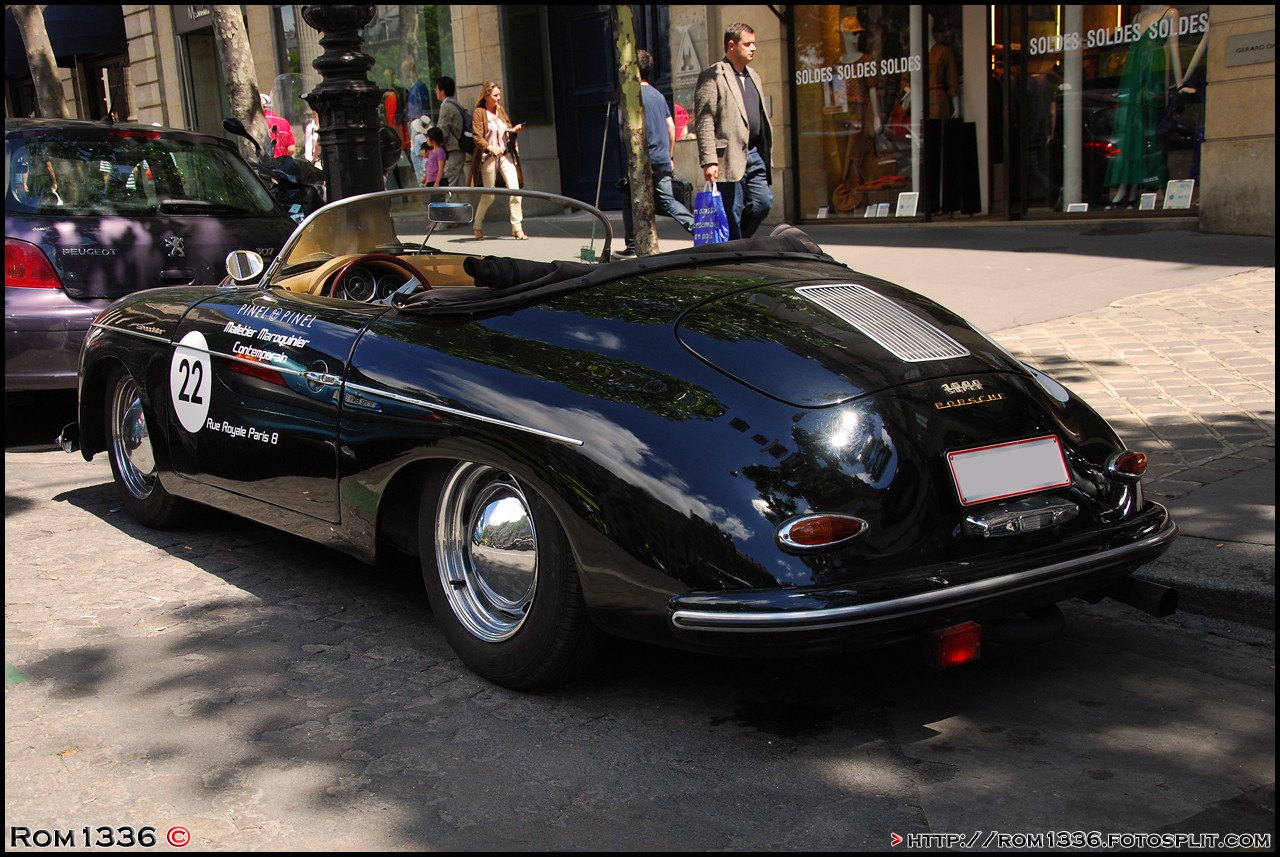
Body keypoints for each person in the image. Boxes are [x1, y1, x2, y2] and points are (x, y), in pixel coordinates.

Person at [694, 22, 773, 240]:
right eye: (747, 44)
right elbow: (704, 121)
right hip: (728, 156)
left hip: (755, 153)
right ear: (731, 45)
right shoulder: (713, 75)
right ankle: (733, 250)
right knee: (732, 211)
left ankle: (734, 245)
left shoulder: (754, 76)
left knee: (762, 203)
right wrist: (709, 160)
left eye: (754, 43)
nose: (753, 48)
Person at [618, 49, 695, 257]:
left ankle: (633, 246)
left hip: (643, 160)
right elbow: (671, 127)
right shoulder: (659, 96)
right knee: (661, 200)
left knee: (641, 199)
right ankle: (696, 228)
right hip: (661, 158)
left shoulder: (632, 96)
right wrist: (669, 155)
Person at [1105, 5, 1183, 208]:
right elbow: (1132, 51)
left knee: (1148, 136)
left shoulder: (1170, 14)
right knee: (1129, 135)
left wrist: (1179, 82)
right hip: (1134, 81)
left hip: (1153, 79)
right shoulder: (1138, 17)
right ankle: (1126, 189)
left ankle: (1136, 189)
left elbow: (1173, 48)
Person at [468, 81, 527, 241]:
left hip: (505, 156)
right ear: (486, 95)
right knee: (489, 196)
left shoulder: (500, 110)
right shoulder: (479, 112)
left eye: (499, 95)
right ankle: (477, 226)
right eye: (495, 95)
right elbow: (477, 137)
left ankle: (517, 228)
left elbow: (506, 128)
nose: (498, 98)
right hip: (489, 157)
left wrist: (514, 130)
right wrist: (490, 148)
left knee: (515, 190)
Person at [434, 76, 469, 188]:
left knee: (449, 185)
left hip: (452, 151)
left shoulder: (446, 107)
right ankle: (465, 205)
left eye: (436, 89)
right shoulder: (456, 104)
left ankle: (449, 206)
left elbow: (441, 131)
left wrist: (434, 143)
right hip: (459, 149)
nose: (435, 91)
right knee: (460, 185)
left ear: (442, 91)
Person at [260, 93, 295, 160]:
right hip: (282, 166)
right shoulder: (284, 122)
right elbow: (291, 149)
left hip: (265, 165)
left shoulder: (259, 122)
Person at [421, 127, 447, 192]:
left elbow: (440, 168)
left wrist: (437, 181)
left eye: (427, 137)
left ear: (432, 139)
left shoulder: (440, 152)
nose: (426, 139)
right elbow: (429, 168)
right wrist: (426, 179)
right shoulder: (431, 152)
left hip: (437, 181)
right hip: (431, 181)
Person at [409, 114, 431, 185]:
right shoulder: (419, 137)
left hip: (419, 156)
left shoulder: (417, 135)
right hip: (419, 158)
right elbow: (418, 152)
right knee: (421, 176)